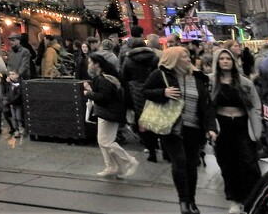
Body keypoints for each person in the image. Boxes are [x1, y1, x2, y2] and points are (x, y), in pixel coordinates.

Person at [143, 46, 215, 214]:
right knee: (180, 161)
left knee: (191, 164)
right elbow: (145, 91)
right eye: (184, 56)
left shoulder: (198, 77)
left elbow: (207, 104)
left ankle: (192, 200)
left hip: (194, 127)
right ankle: (183, 200)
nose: (189, 58)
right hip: (171, 127)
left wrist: (211, 127)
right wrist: (163, 92)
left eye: (189, 56)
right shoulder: (161, 74)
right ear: (174, 59)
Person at [210, 47, 262, 214]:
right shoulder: (210, 82)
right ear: (217, 61)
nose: (225, 61)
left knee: (248, 163)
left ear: (233, 62)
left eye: (228, 59)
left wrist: (258, 127)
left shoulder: (244, 82)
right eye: (222, 59)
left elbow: (256, 105)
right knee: (228, 164)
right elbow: (206, 107)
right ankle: (234, 200)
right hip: (222, 127)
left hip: (242, 126)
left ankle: (253, 199)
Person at [83, 51, 138, 179]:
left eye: (90, 63)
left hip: (108, 112)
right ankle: (112, 166)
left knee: (105, 141)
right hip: (111, 112)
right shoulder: (108, 76)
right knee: (104, 140)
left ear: (96, 64)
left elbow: (103, 97)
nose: (89, 65)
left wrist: (88, 93)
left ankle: (129, 161)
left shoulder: (102, 78)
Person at [121, 29, 162, 162]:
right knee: (155, 119)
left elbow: (124, 76)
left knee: (142, 122)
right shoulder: (154, 57)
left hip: (136, 93)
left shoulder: (128, 60)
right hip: (153, 90)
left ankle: (151, 151)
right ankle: (159, 145)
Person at [6, 71, 24, 138]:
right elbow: (9, 93)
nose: (11, 76)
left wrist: (12, 101)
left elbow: (19, 94)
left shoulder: (19, 84)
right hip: (12, 104)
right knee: (14, 117)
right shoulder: (10, 84)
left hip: (17, 104)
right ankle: (16, 130)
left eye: (13, 74)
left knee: (18, 117)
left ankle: (20, 129)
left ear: (17, 75)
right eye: (10, 74)